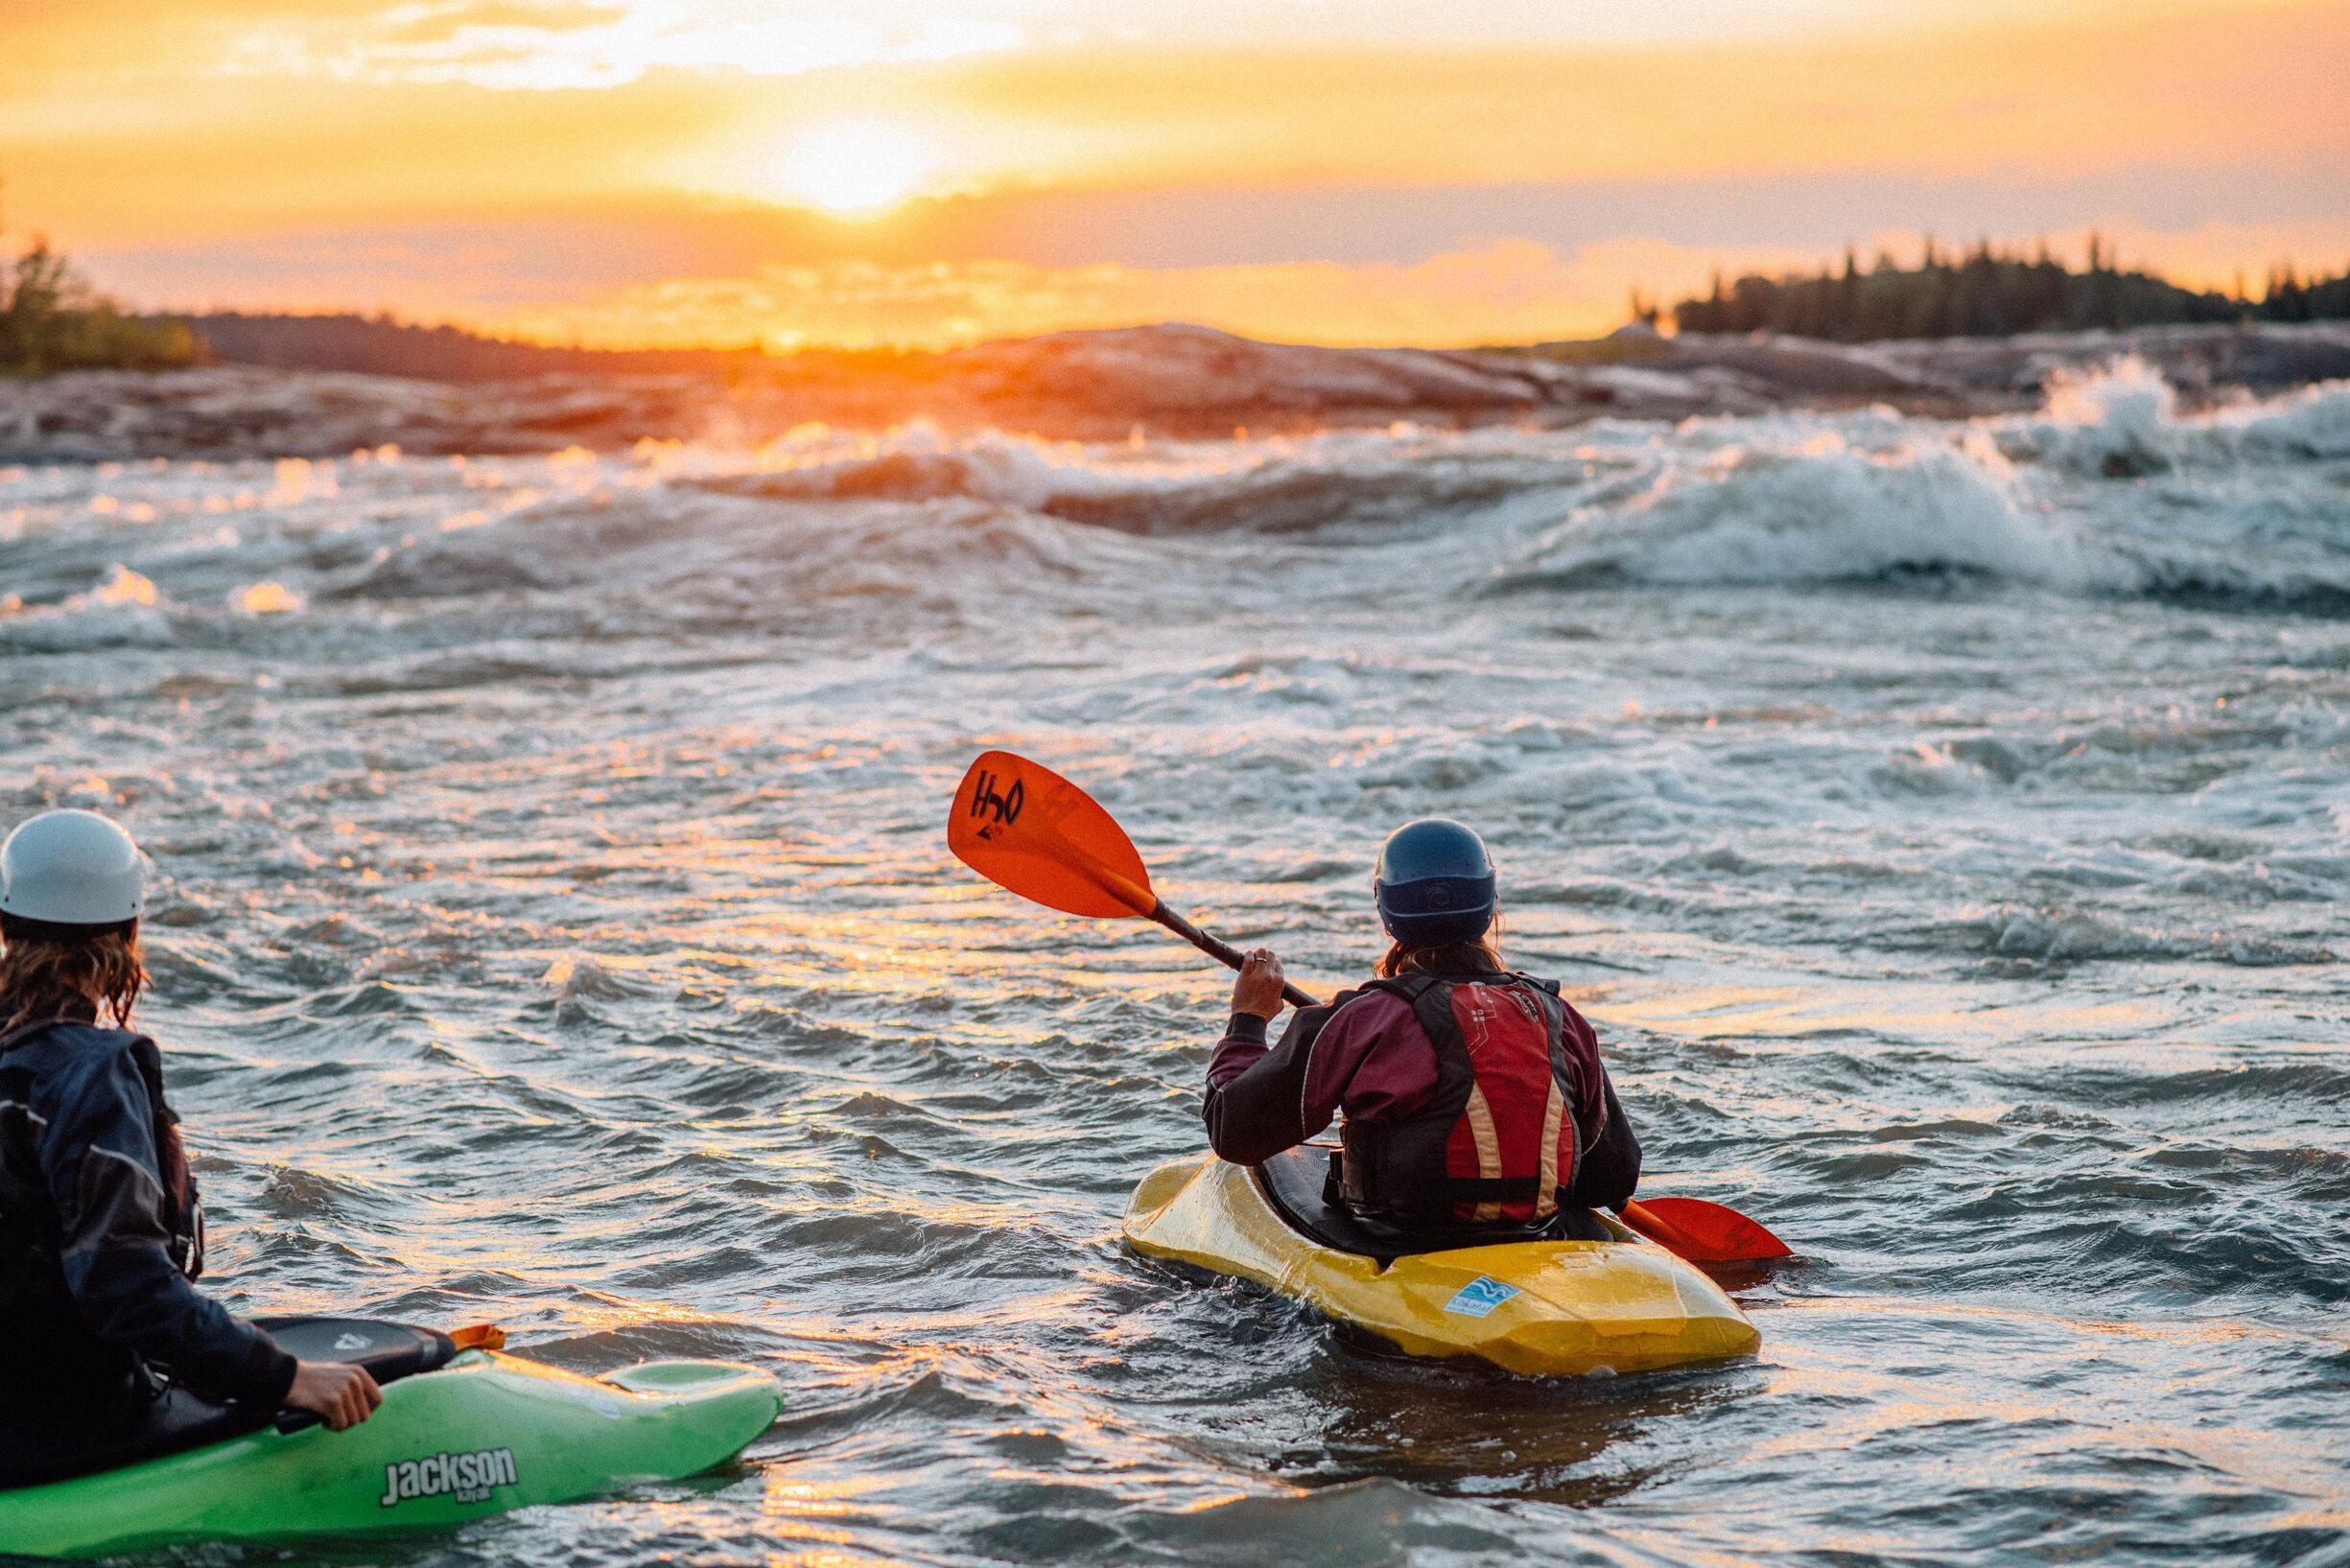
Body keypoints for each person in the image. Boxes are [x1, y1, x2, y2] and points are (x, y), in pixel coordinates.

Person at [0, 808, 380, 1486]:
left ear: (4, 927)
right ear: (129, 932)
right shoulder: (90, 1075)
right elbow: (123, 1286)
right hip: (69, 1417)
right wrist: (285, 1376)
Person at [1202, 818, 1640, 1238]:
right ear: (1489, 906)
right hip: (1534, 1235)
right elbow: (1612, 1177)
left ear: (1386, 907)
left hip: (1400, 1239)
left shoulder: (1360, 1019)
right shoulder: (1558, 1017)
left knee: (1272, 1165)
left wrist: (1248, 1021)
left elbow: (1234, 1130)